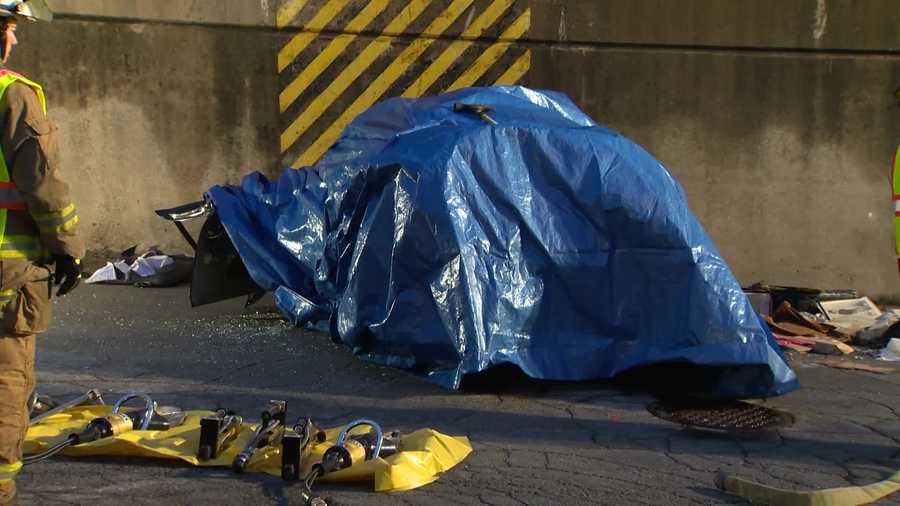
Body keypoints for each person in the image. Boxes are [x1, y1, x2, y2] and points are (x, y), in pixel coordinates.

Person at [0, 1, 83, 503]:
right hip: (7, 272)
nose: (11, 40)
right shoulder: (13, 96)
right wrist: (69, 249)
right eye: (7, 27)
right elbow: (44, 186)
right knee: (6, 379)